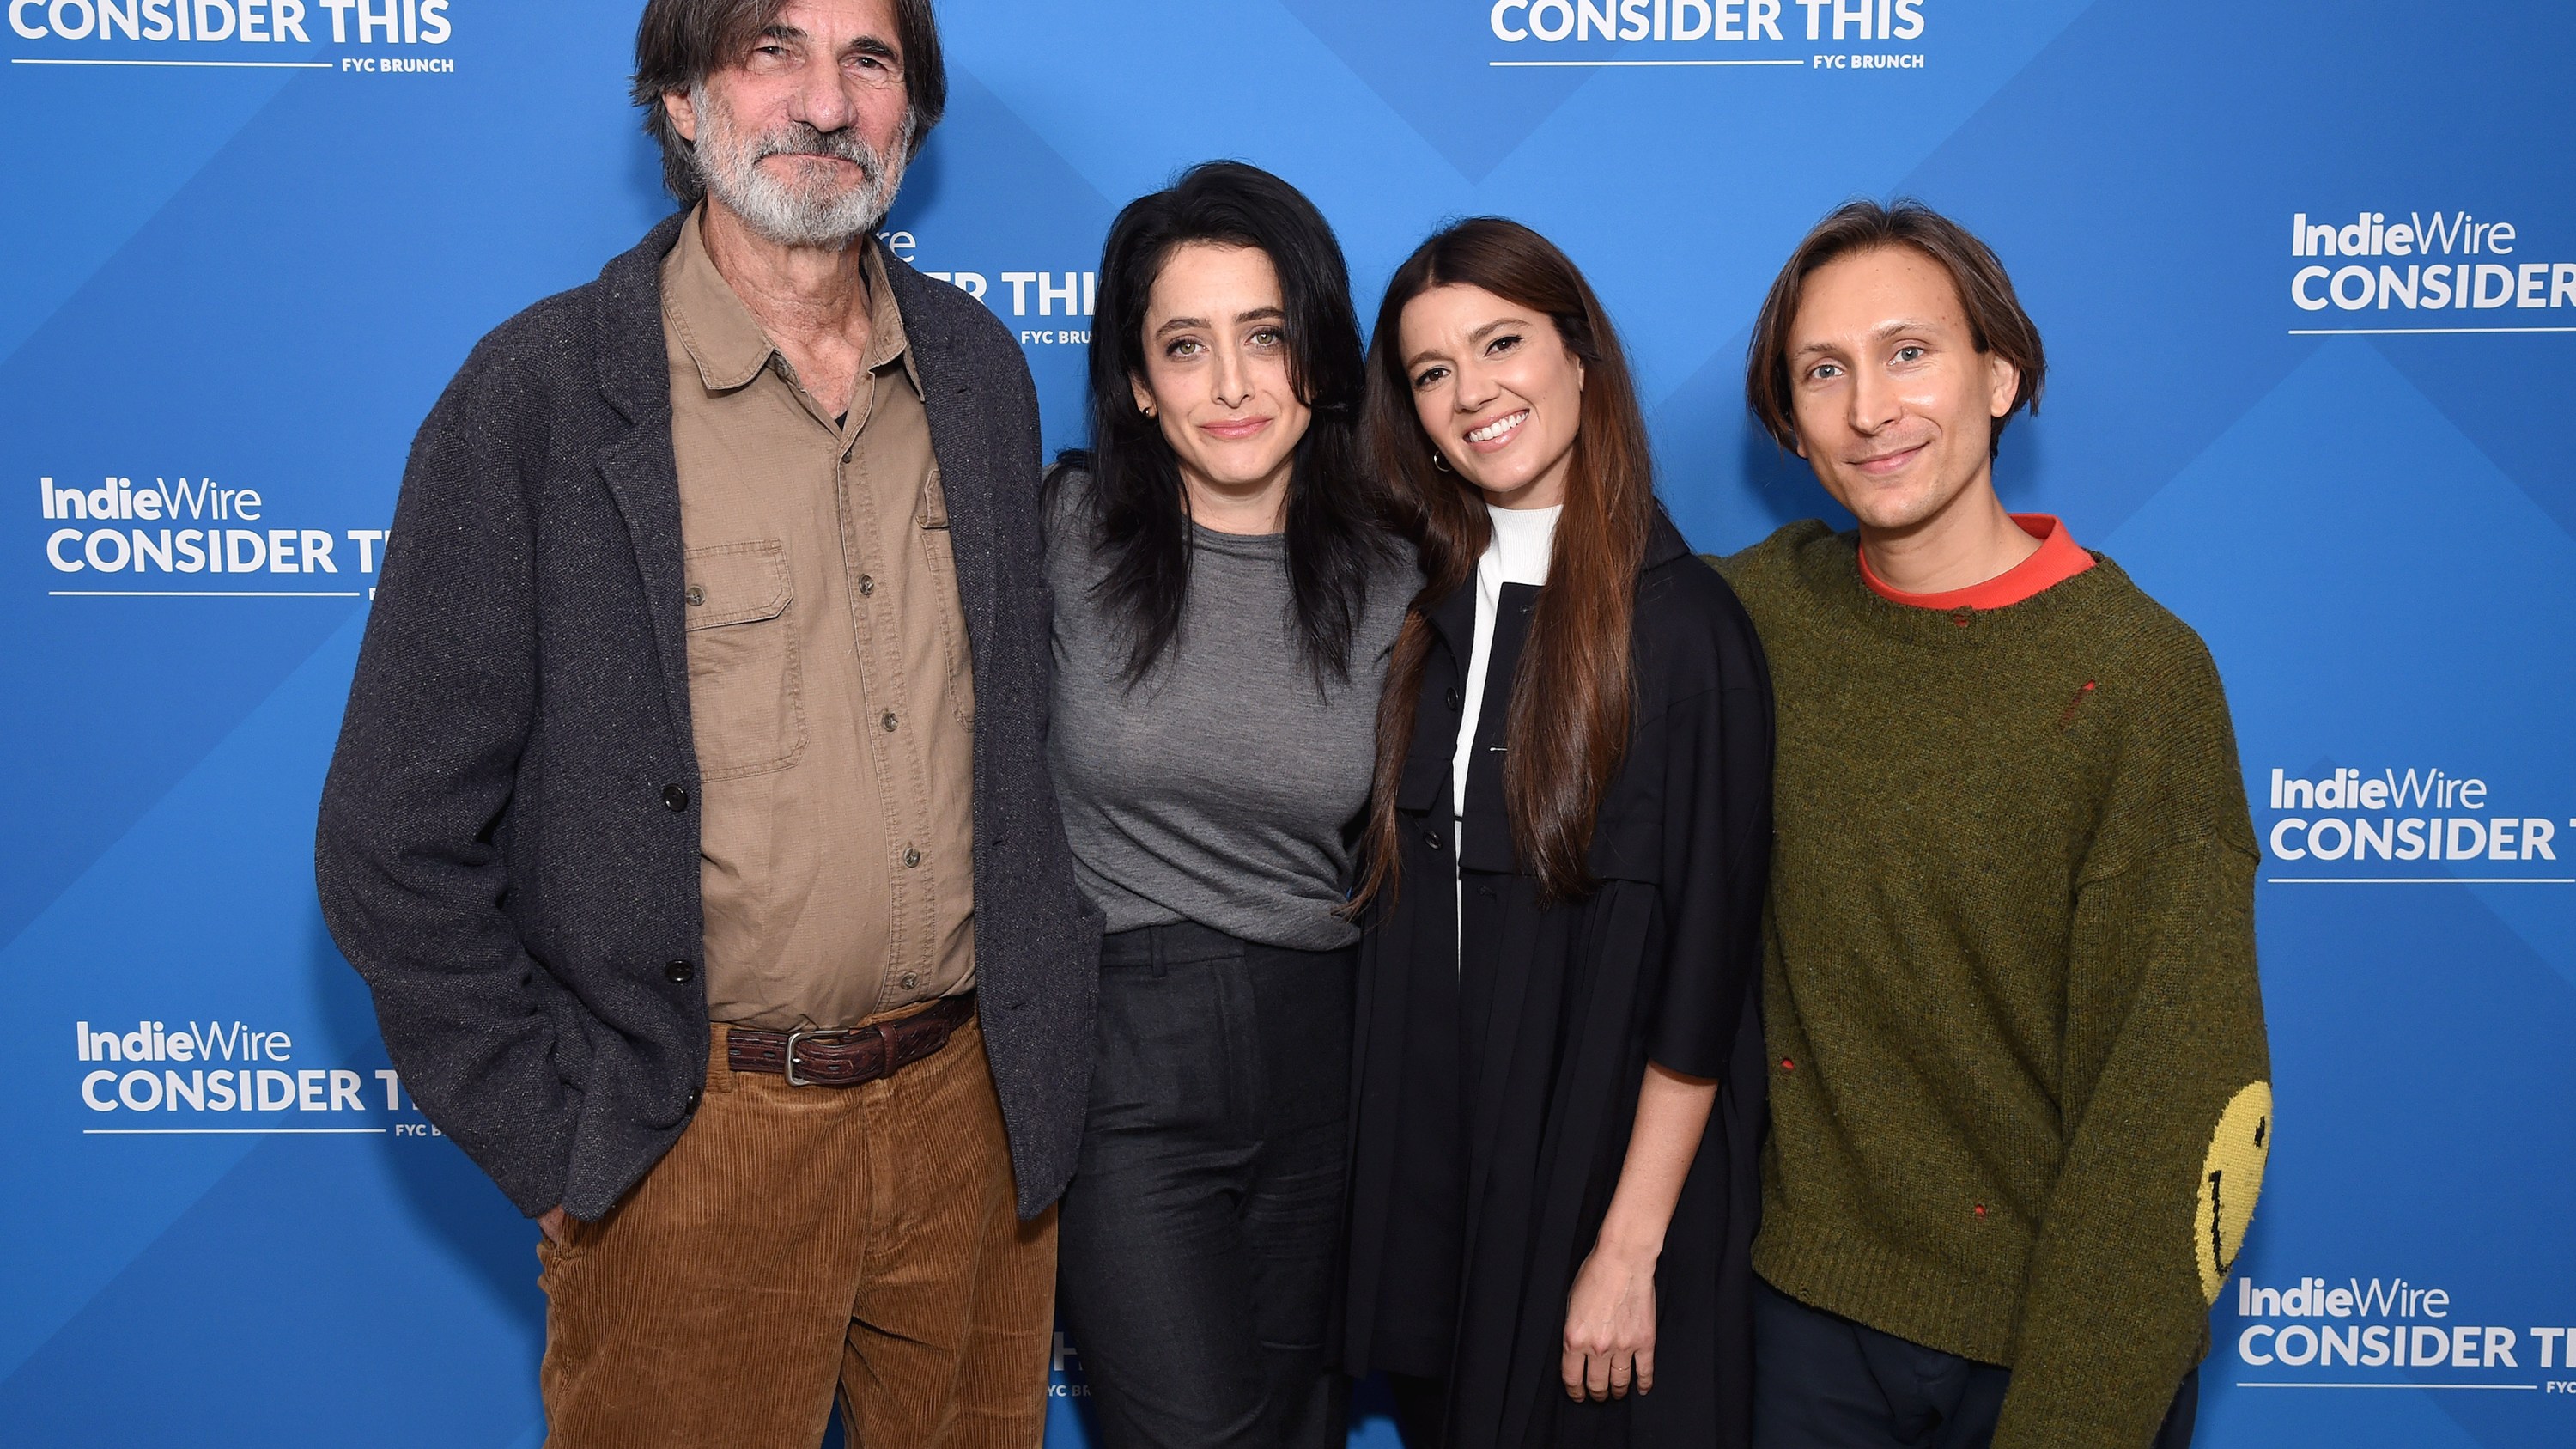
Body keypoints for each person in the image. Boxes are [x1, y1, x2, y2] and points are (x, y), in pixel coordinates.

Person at [313, 3, 1101, 1445]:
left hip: (969, 1133)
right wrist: (562, 1149)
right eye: (771, 51)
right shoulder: (538, 399)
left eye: (869, 61)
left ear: (912, 118)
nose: (825, 99)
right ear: (679, 103)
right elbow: (391, 839)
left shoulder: (981, 376)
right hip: (691, 1141)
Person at [1715, 198, 2272, 1449]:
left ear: (2000, 374)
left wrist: (2076, 1413)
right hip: (1803, 1326)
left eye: (1909, 352)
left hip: (2057, 1350)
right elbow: (1557, 599)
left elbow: (2176, 1098)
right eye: (1823, 372)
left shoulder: (2138, 678)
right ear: (1791, 428)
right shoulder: (1752, 623)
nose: (1870, 409)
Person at [1340, 217, 1774, 1449]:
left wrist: (1627, 1253)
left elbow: (1706, 984)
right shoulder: (1418, 618)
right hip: (1446, 1206)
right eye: (1432, 372)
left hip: (1608, 1211)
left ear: (1580, 357)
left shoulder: (1689, 632)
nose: (1472, 392)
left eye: (1501, 343)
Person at [1044, 161, 1413, 1449]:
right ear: (1139, 384)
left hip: (1329, 1050)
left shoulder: (1399, 575)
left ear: (1318, 353)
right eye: (1186, 348)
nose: (1235, 385)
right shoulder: (1065, 530)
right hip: (1124, 1060)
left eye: (1266, 337)